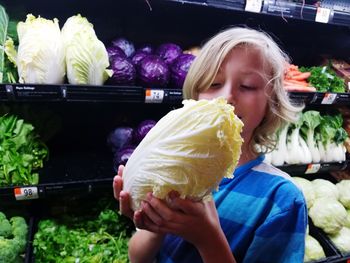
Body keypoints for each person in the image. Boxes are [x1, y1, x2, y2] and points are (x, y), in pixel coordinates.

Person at [113, 26, 308, 263]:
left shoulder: (282, 200)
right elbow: (137, 257)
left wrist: (207, 238)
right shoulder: (174, 170)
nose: (226, 96)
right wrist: (156, 222)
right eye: (214, 84)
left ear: (272, 104)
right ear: (195, 96)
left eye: (247, 86)